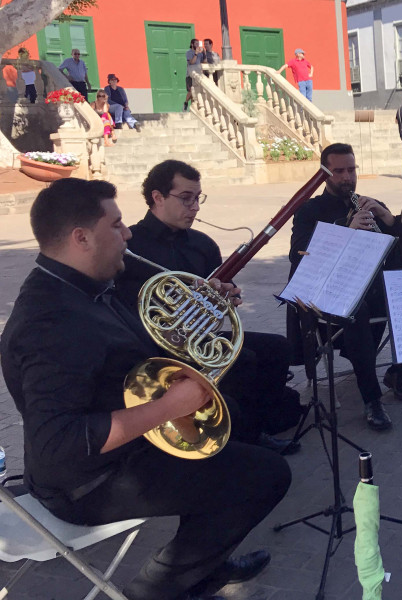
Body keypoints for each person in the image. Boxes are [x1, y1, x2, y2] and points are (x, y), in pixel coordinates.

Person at [1, 178, 291, 600]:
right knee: (265, 476)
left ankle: (201, 572)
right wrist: (168, 408)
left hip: (120, 451)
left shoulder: (80, 283)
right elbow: (57, 442)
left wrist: (204, 307)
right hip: (85, 482)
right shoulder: (50, 323)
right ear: (81, 238)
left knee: (239, 442)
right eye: (116, 225)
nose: (128, 233)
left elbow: (130, 349)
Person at [116, 160, 303, 454]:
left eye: (198, 198)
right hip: (156, 348)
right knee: (244, 361)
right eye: (186, 198)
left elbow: (212, 301)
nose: (195, 207)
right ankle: (243, 439)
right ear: (157, 197)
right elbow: (123, 306)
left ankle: (257, 424)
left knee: (278, 349)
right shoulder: (132, 246)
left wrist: (223, 298)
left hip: (197, 339)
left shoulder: (202, 244)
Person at [288, 143, 402, 431]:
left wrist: (388, 219)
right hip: (330, 289)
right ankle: (372, 400)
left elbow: (400, 250)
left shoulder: (368, 202)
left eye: (352, 169)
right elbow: (298, 254)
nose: (347, 177)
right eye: (339, 171)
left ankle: (398, 374)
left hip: (370, 283)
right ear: (324, 175)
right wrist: (345, 230)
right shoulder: (309, 210)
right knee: (357, 311)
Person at [184, 39, 203, 111]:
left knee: (196, 92)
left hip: (198, 75)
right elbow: (192, 62)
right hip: (190, 75)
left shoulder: (200, 53)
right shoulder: (189, 52)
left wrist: (204, 53)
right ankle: (186, 102)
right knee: (191, 91)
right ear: (192, 44)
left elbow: (203, 62)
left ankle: (193, 109)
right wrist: (195, 54)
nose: (197, 45)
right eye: (196, 44)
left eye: (198, 44)